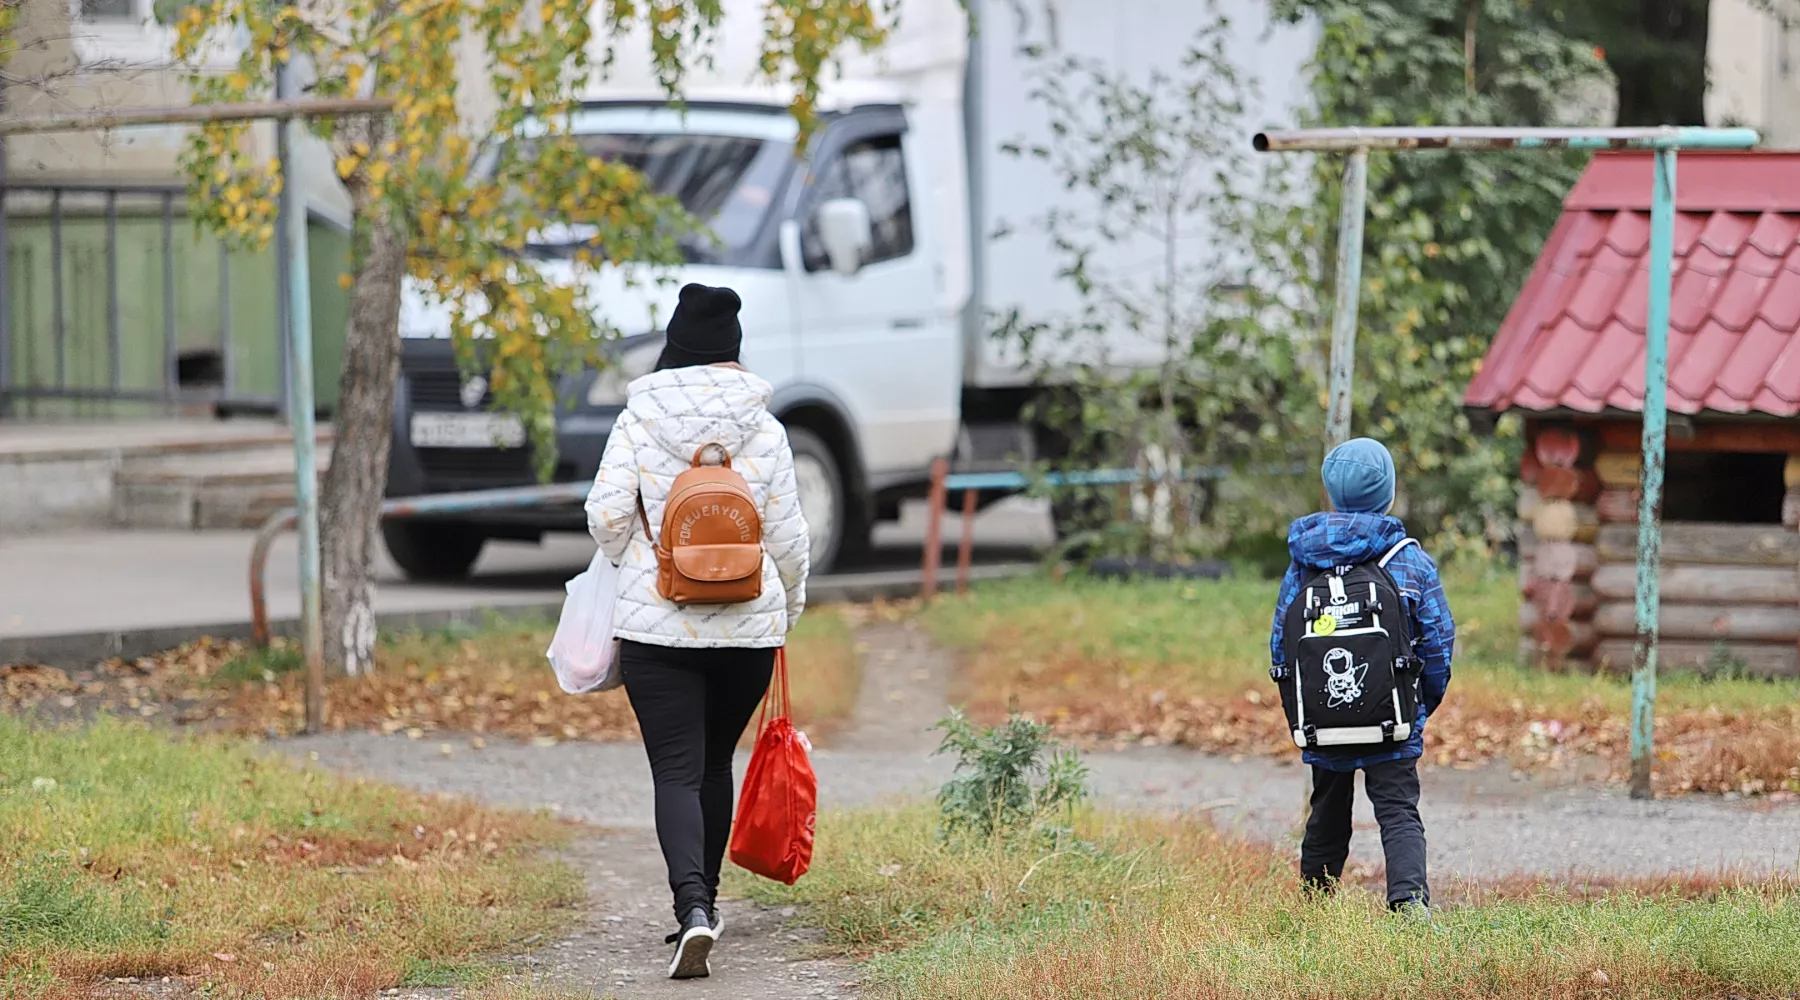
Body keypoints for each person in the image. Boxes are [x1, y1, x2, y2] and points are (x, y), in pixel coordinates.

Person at [585, 282, 810, 979]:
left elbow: (605, 516)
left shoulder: (638, 419)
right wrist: (786, 610)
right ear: (733, 353)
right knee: (715, 764)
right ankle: (706, 902)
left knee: (676, 770)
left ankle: (691, 912)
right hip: (749, 630)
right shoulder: (764, 428)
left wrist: (644, 560)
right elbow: (791, 540)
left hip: (660, 628)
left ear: (674, 347)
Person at [1269, 437, 1454, 917]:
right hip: (1391, 718)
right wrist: (1418, 705)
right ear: (1388, 494)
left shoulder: (1303, 561)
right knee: (1397, 811)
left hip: (1325, 719)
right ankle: (1410, 905)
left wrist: (1305, 707)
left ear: (1331, 495)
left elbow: (1280, 645)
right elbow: (1437, 640)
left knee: (1326, 810)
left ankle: (1314, 907)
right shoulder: (1407, 559)